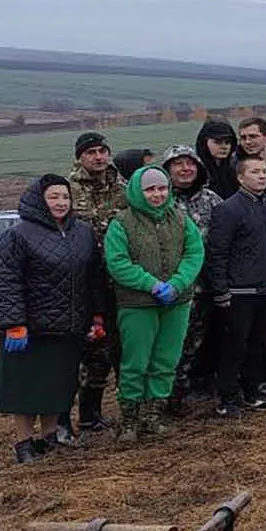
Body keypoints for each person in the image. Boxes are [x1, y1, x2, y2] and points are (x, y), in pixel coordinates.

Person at [0, 175, 97, 463]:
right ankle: (24, 443)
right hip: (29, 329)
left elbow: (92, 279)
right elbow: (6, 281)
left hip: (68, 327)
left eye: (65, 197)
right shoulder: (19, 234)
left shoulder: (83, 233)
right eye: (54, 197)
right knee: (25, 389)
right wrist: (13, 324)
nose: (61, 202)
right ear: (39, 199)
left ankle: (50, 437)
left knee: (57, 384)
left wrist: (96, 316)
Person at [103, 166, 204, 442]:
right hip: (137, 304)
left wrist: (178, 283)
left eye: (162, 188)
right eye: (150, 189)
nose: (157, 194)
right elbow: (117, 262)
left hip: (177, 302)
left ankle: (152, 415)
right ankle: (129, 419)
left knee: (166, 360)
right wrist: (151, 284)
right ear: (138, 191)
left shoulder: (181, 220)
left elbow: (194, 253)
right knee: (136, 361)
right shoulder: (121, 223)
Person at [205, 157, 266, 416]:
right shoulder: (228, 210)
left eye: (264, 171)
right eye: (255, 172)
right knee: (235, 346)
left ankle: (252, 392)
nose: (262, 176)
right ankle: (228, 397)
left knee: (257, 344)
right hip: (238, 292)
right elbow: (217, 252)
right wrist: (220, 289)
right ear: (241, 178)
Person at [67, 131, 126, 435]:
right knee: (94, 352)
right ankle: (87, 416)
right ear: (80, 157)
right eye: (91, 152)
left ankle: (128, 409)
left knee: (121, 348)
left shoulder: (121, 186)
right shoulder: (68, 189)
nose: (99, 157)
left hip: (120, 280)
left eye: (103, 150)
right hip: (86, 283)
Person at [159, 144, 223, 414]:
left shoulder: (212, 200)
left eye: (190, 164)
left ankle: (180, 395)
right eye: (178, 164)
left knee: (193, 344)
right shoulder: (159, 199)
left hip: (206, 286)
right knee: (168, 345)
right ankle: (160, 398)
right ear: (166, 170)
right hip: (170, 288)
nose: (185, 169)